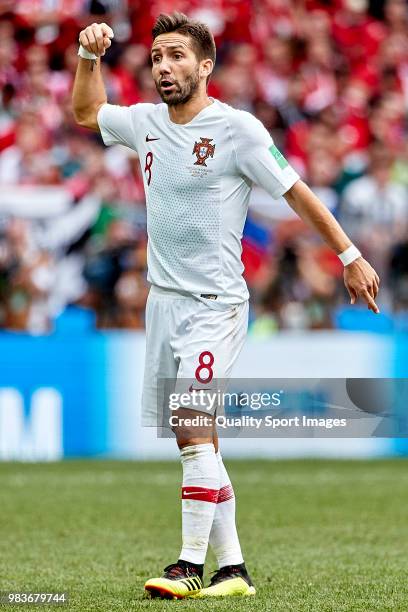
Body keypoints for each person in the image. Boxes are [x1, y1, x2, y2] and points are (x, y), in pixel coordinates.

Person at [72, 12, 380, 600]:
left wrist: (349, 255)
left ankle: (188, 566)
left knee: (191, 421)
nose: (163, 66)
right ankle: (233, 570)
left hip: (216, 306)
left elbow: (295, 191)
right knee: (200, 440)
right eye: (157, 57)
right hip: (164, 306)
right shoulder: (144, 123)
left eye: (177, 56)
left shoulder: (237, 130)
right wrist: (89, 58)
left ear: (205, 65)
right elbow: (88, 112)